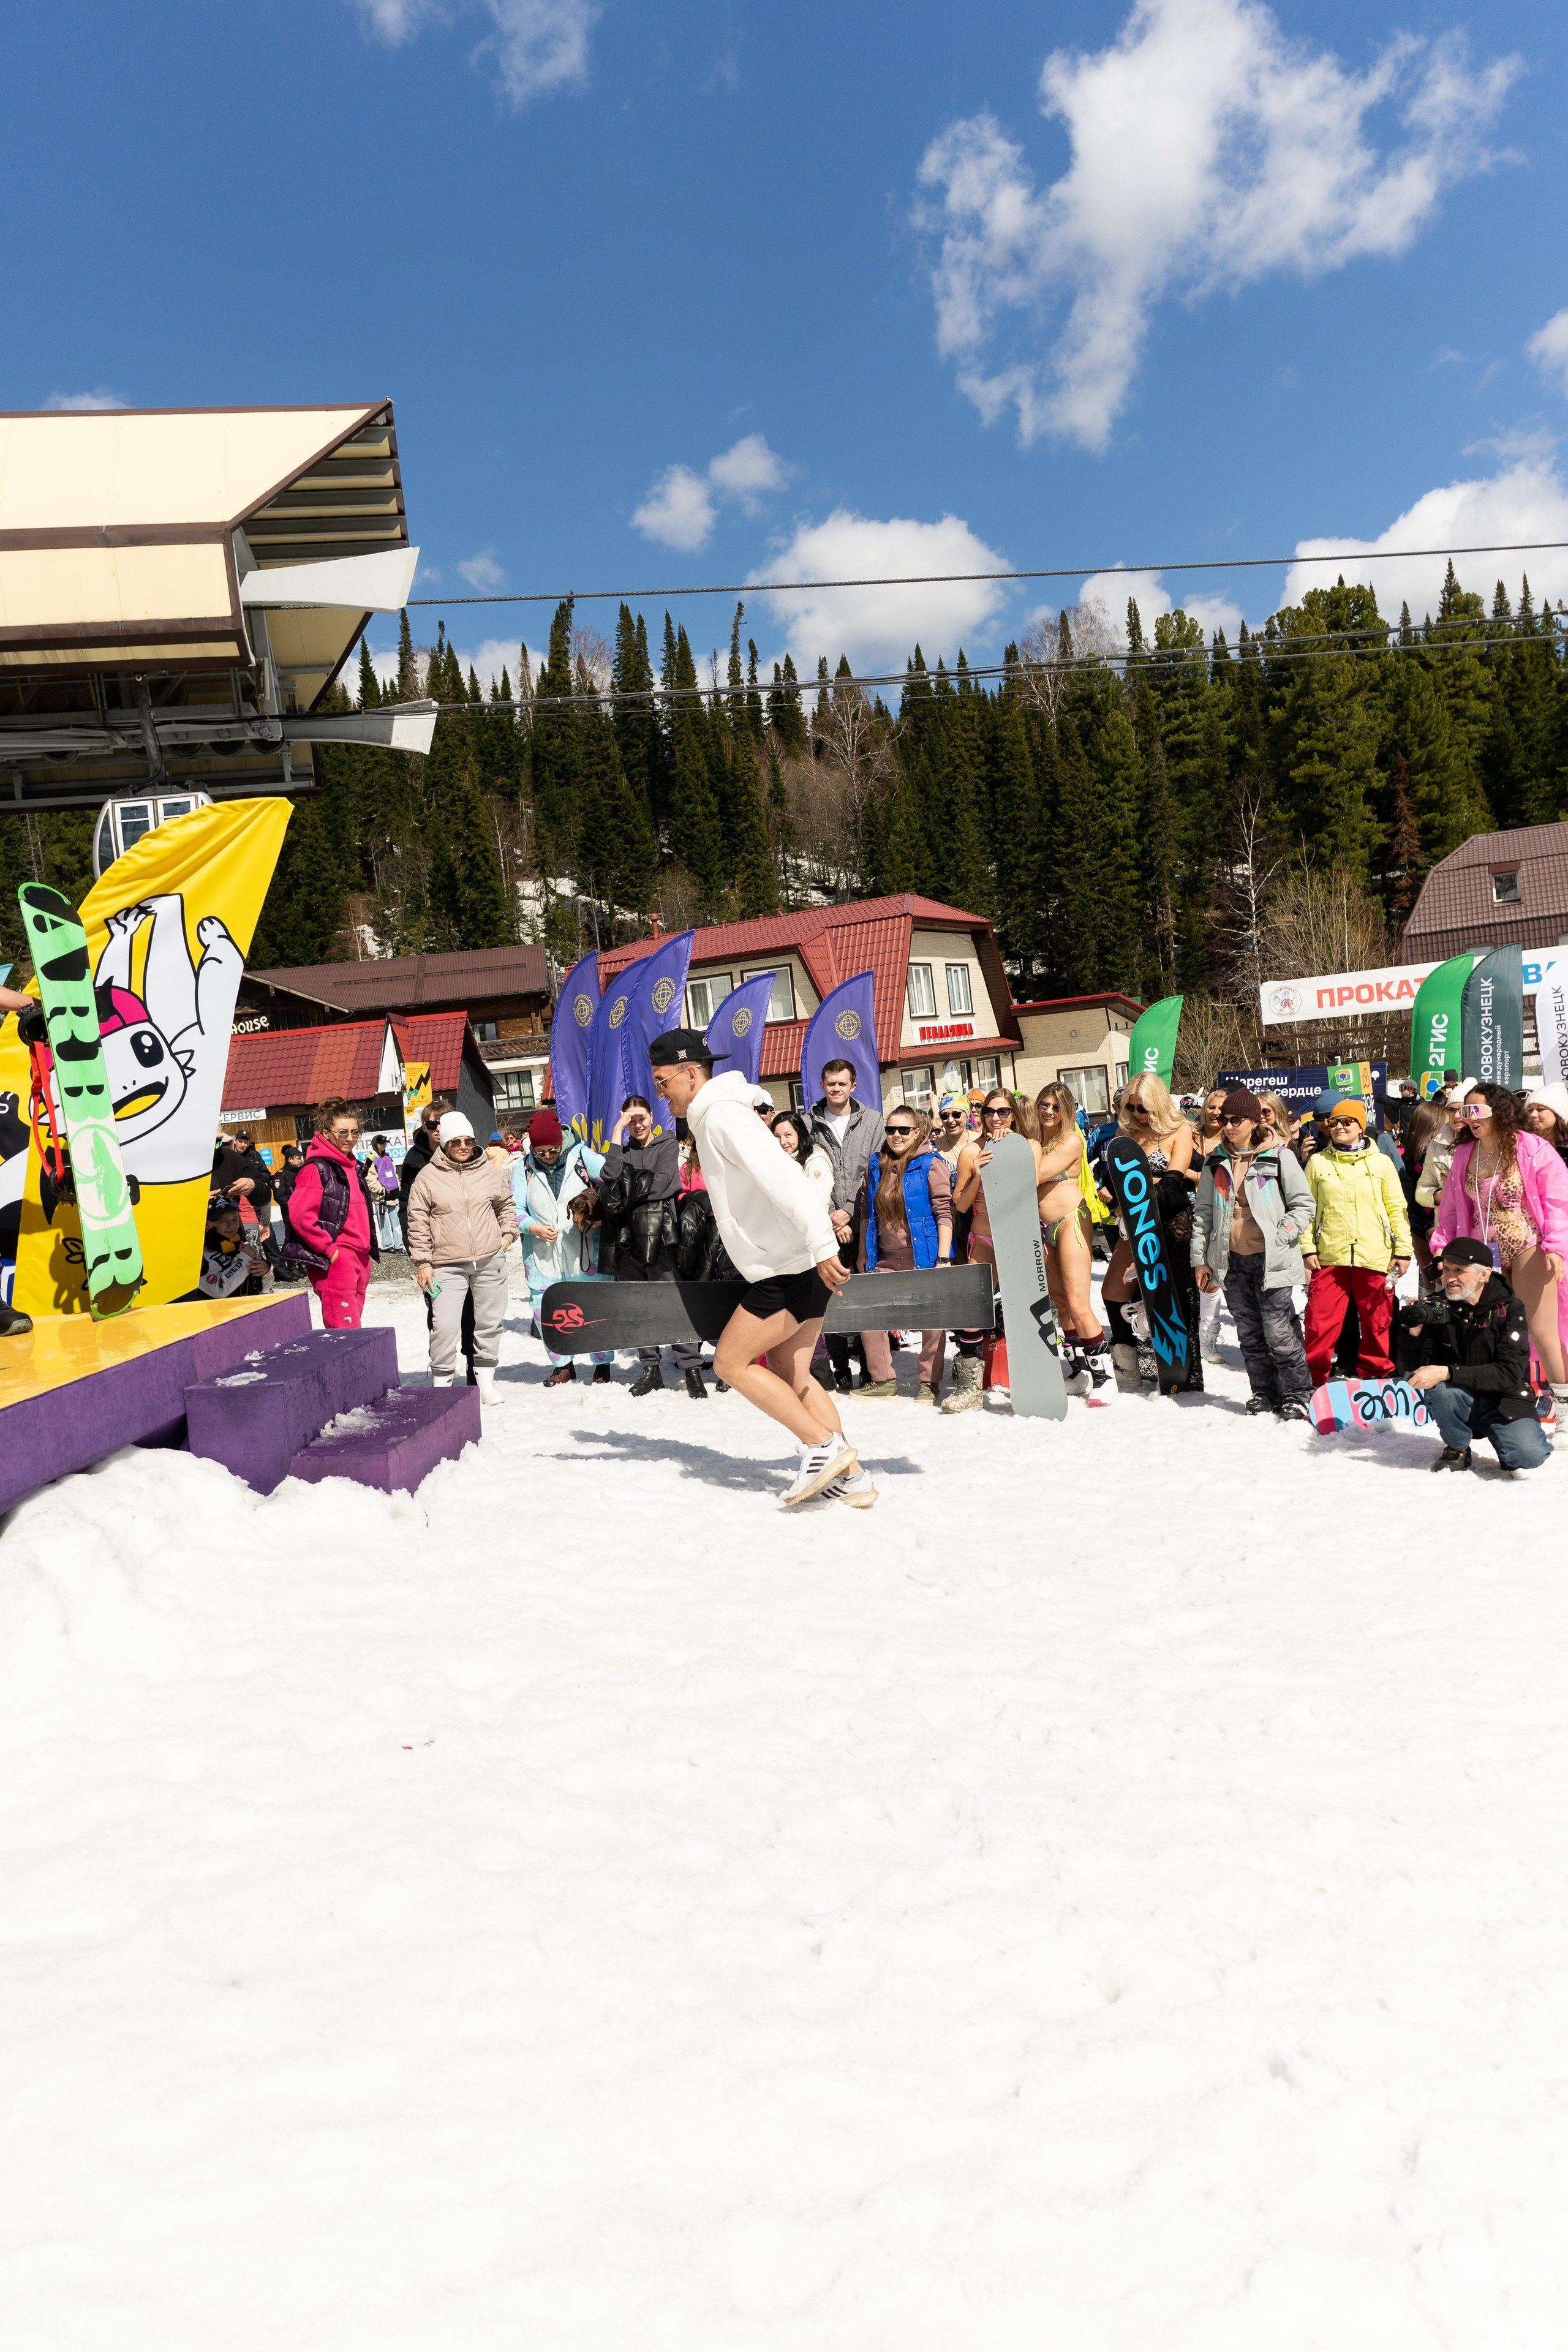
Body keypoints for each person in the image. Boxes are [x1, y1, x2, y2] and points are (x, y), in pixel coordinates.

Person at [649, 1028, 867, 1507]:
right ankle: (851, 1476)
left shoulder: (721, 1116)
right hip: (797, 1263)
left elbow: (785, 1177)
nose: (660, 1093)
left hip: (789, 1267)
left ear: (691, 1074)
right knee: (794, 1375)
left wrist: (821, 1243)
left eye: (663, 1082)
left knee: (730, 1363)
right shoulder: (718, 1114)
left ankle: (823, 1447)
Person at [1430, 1079, 1568, 1437]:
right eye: (1466, 1111)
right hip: (1484, 1251)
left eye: (1478, 1110)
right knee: (1491, 1331)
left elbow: (1557, 1199)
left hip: (1528, 1245)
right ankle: (1502, 1404)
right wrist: (1443, 1245)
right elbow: (1451, 1209)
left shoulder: (1532, 1148)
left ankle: (1566, 1411)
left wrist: (1556, 1246)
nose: (1470, 1118)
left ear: (1501, 1112)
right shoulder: (1465, 1154)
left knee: (1541, 1330)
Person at [1191, 1088, 1314, 1419]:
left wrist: (1281, 1234)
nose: (1229, 1126)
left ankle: (1298, 1393)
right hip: (1231, 1260)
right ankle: (1263, 1392)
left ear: (1254, 1121)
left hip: (1271, 1259)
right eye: (1223, 1120)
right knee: (1248, 1333)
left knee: (1277, 1330)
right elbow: (1203, 1214)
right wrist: (1200, 1260)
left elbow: (1304, 1205)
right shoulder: (1216, 1161)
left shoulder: (1279, 1155)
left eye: (1236, 1120)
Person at [1396, 1237, 1551, 1475]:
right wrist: (1412, 1335)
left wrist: (1449, 1372)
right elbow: (1414, 1372)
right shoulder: (1436, 1307)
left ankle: (1505, 1441)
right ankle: (1457, 1447)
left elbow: (1509, 1373)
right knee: (1442, 1390)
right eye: (1447, 1269)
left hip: (1504, 1399)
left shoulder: (1510, 1308)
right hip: (1458, 1396)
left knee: (1529, 1455)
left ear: (1484, 1274)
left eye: (1459, 1270)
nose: (1450, 1278)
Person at [405, 1110, 518, 1404]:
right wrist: (423, 1263)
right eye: (456, 1142)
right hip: (446, 1265)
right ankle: (442, 1385)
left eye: (468, 1140)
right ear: (445, 1144)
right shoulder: (428, 1177)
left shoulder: (487, 1171)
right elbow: (417, 1221)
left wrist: (507, 1236)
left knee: (489, 1324)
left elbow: (505, 1204)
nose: (464, 1146)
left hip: (490, 1261)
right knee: (444, 1327)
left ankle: (485, 1385)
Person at [1300, 1096, 1411, 1385]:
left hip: (1374, 1254)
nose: (1339, 1126)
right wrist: (1308, 1247)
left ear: (1361, 1126)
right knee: (1319, 1322)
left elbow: (1397, 1209)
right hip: (1329, 1255)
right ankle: (1313, 1381)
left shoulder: (1381, 1162)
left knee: (1378, 1322)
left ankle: (1377, 1376)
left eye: (1347, 1121)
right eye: (1335, 1121)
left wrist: (1403, 1251)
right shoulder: (1318, 1162)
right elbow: (1306, 1210)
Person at [599, 1094, 703, 1397]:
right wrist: (616, 1132)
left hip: (660, 1236)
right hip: (627, 1239)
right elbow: (609, 1177)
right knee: (638, 1304)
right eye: (630, 1120)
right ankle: (650, 1369)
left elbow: (662, 1184)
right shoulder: (623, 1151)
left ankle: (692, 1369)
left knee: (673, 1301)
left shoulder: (667, 1144)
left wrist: (624, 1190)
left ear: (652, 1117)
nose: (638, 1124)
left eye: (642, 1118)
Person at [1101, 1074, 1200, 1390]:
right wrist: (1119, 1195)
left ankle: (1179, 1372)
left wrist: (1135, 1189)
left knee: (1171, 1298)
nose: (1136, 1113)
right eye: (1130, 1107)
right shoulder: (1125, 1131)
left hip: (1170, 1222)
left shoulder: (1180, 1129)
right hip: (1133, 1222)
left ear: (1157, 1104)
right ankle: (1129, 1366)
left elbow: (1173, 1183)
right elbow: (1112, 1180)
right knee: (1113, 1292)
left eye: (1142, 1108)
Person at [854, 1104, 952, 1402]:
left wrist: (943, 1258)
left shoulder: (931, 1163)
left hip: (923, 1256)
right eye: (891, 1129)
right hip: (884, 1256)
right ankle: (882, 1380)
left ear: (918, 1132)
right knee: (868, 1312)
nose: (896, 1135)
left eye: (904, 1130)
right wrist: (863, 1253)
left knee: (932, 1320)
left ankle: (929, 1382)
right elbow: (866, 1212)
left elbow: (944, 1212)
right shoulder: (876, 1164)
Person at [943, 1086, 1031, 1412]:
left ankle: (1031, 1378)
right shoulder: (971, 1151)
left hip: (1019, 1238)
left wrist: (1009, 1151)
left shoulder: (1027, 1146)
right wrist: (979, 1174)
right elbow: (960, 1204)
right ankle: (970, 1387)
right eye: (989, 1111)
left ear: (1014, 1115)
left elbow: (1031, 1191)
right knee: (973, 1308)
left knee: (1026, 1307)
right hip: (984, 1239)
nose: (995, 1117)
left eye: (1003, 1111)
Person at [516, 1107, 610, 1387]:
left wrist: (600, 1215)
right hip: (542, 1254)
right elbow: (514, 1208)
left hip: (586, 1251)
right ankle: (563, 1365)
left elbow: (612, 1180)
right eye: (541, 1152)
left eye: (553, 1150)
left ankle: (602, 1364)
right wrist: (532, 1227)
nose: (548, 1156)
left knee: (595, 1305)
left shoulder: (582, 1156)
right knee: (546, 1307)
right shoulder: (524, 1168)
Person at [809, 1057, 883, 1394]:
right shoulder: (809, 1123)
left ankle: (869, 1367)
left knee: (865, 1295)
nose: (836, 1088)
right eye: (831, 1083)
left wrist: (850, 1212)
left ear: (853, 1085)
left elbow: (875, 1170)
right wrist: (832, 1216)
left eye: (842, 1083)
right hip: (824, 1225)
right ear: (822, 1085)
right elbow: (806, 1173)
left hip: (864, 1221)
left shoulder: (873, 1121)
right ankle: (840, 1366)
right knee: (830, 1294)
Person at [1033, 1081, 1110, 1389]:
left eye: (1056, 1107)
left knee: (1078, 1303)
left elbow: (1036, 1174)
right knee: (1060, 1302)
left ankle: (1105, 1379)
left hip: (1071, 1222)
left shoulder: (1071, 1141)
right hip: (1044, 1228)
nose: (1049, 1111)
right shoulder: (1035, 1139)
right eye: (1044, 1104)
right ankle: (1081, 1372)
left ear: (1066, 1111)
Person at [281, 1098, 380, 1329]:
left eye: (355, 1133)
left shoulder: (353, 1167)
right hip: (337, 1259)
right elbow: (300, 1216)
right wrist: (331, 1251)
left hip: (359, 1256)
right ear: (325, 1134)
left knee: (353, 1327)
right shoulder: (317, 1168)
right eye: (343, 1132)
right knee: (344, 1331)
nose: (350, 1138)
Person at [187, 1197, 270, 1301]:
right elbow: (219, 1290)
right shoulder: (202, 1255)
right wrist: (243, 1260)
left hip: (248, 1308)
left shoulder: (241, 1246)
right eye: (224, 1221)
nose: (231, 1226)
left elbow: (263, 1287)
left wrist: (266, 1270)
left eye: (235, 1220)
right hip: (218, 1310)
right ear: (208, 1224)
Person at [211, 1128, 273, 1212]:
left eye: (218, 1143)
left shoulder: (234, 1157)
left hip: (247, 1209)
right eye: (240, 1142)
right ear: (235, 1141)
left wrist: (253, 1185)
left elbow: (265, 1193)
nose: (243, 1145)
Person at [1522, 1081, 1568, 1165]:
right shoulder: (1521, 1145)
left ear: (1558, 1114)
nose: (1533, 1115)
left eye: (1540, 1109)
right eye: (1530, 1110)